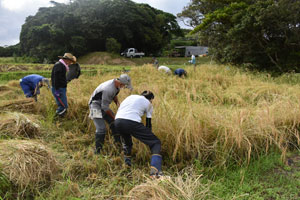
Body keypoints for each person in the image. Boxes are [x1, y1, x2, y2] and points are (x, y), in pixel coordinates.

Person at [114, 91, 163, 178]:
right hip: (131, 122)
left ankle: (127, 165)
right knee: (155, 142)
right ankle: (155, 173)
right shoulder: (149, 104)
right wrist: (148, 139)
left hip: (117, 121)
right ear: (151, 99)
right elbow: (148, 124)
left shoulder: (130, 97)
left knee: (127, 143)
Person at [88, 74, 133, 154]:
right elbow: (105, 108)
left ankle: (118, 145)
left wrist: (118, 105)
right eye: (124, 85)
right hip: (95, 105)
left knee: (115, 124)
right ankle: (97, 151)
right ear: (120, 83)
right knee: (101, 128)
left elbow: (114, 96)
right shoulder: (108, 89)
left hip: (103, 104)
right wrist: (115, 117)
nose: (124, 87)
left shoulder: (116, 86)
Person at [51, 53, 76, 117]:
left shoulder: (62, 66)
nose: (70, 63)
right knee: (63, 106)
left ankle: (58, 118)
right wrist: (57, 90)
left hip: (60, 88)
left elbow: (60, 78)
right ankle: (57, 118)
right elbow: (56, 79)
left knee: (62, 105)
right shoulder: (59, 66)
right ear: (67, 60)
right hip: (59, 89)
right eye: (70, 61)